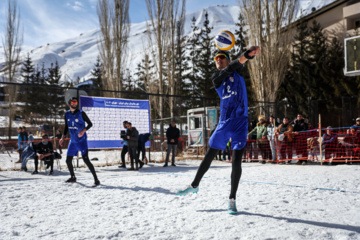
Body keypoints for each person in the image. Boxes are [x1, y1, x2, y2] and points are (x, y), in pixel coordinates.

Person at [177, 46, 260, 214]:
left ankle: (232, 199)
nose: (218, 60)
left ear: (228, 59)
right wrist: (244, 56)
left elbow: (237, 64)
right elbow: (231, 67)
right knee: (209, 155)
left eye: (222, 57)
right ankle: (194, 185)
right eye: (216, 59)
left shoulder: (238, 72)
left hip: (240, 123)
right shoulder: (217, 78)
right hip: (224, 123)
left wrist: (247, 56)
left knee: (236, 160)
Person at [59, 97, 100, 186]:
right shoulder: (67, 114)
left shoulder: (81, 113)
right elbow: (66, 126)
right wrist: (63, 137)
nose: (75, 103)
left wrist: (83, 131)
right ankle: (73, 177)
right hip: (73, 141)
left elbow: (90, 124)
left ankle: (96, 179)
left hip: (82, 141)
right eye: (73, 102)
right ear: (69, 103)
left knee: (86, 160)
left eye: (76, 102)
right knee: (68, 160)